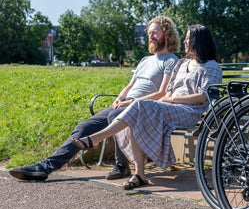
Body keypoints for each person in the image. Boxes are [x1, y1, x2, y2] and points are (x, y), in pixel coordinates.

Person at [9, 16, 180, 182]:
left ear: (167, 34)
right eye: (149, 33)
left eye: (155, 32)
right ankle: (45, 167)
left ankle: (121, 165)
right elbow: (129, 86)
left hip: (142, 108)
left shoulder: (171, 60)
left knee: (114, 117)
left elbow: (162, 93)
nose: (150, 36)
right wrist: (120, 98)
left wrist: (130, 102)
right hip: (124, 104)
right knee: (84, 127)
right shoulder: (144, 60)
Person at [71, 24, 222, 189]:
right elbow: (170, 91)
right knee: (138, 115)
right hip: (170, 107)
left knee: (140, 104)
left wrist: (170, 101)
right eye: (185, 39)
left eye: (188, 39)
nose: (185, 42)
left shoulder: (211, 66)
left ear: (199, 41)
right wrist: (167, 99)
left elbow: (202, 97)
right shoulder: (181, 63)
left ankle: (96, 138)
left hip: (191, 112)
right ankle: (139, 174)